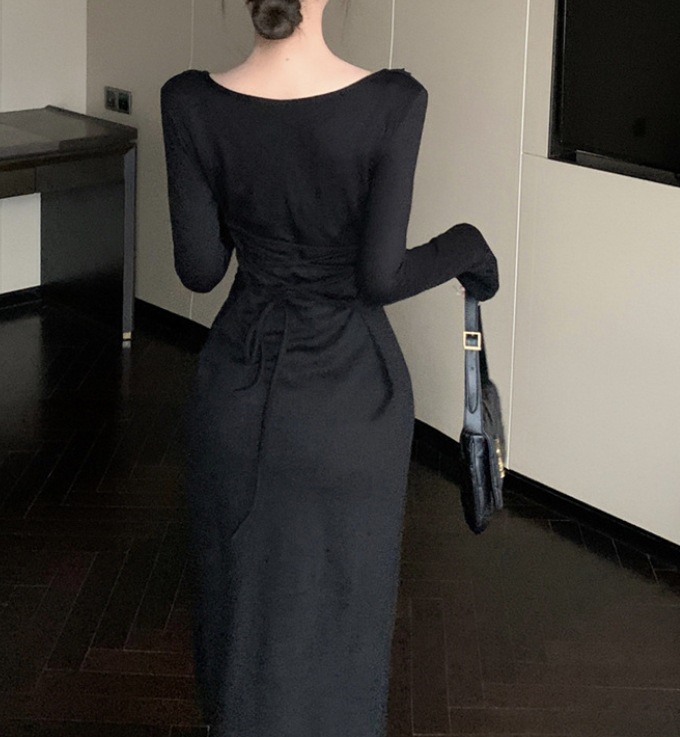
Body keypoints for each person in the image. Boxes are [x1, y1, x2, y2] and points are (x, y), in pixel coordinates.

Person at [159, 0, 498, 734]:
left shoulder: (187, 102)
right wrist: (467, 246)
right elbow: (379, 276)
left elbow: (200, 269)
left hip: (237, 393)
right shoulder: (394, 102)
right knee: (343, 615)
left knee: (241, 612)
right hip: (351, 400)